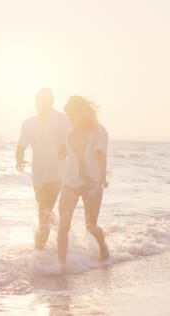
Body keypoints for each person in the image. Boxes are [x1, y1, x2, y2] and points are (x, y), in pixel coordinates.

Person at [57, 96, 110, 267]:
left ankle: (103, 247)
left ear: (81, 112)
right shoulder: (67, 127)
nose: (69, 117)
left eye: (72, 113)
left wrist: (102, 177)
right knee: (63, 225)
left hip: (91, 183)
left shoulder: (99, 131)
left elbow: (102, 155)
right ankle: (61, 265)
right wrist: (61, 152)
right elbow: (65, 147)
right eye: (68, 114)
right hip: (70, 182)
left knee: (91, 226)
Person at [16, 88, 69, 250]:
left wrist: (65, 147)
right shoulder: (28, 123)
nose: (41, 103)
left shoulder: (62, 120)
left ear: (52, 101)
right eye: (39, 100)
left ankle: (39, 253)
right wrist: (19, 158)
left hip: (56, 174)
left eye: (45, 100)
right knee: (44, 211)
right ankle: (60, 229)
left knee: (43, 212)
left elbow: (72, 140)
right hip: (38, 175)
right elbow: (21, 145)